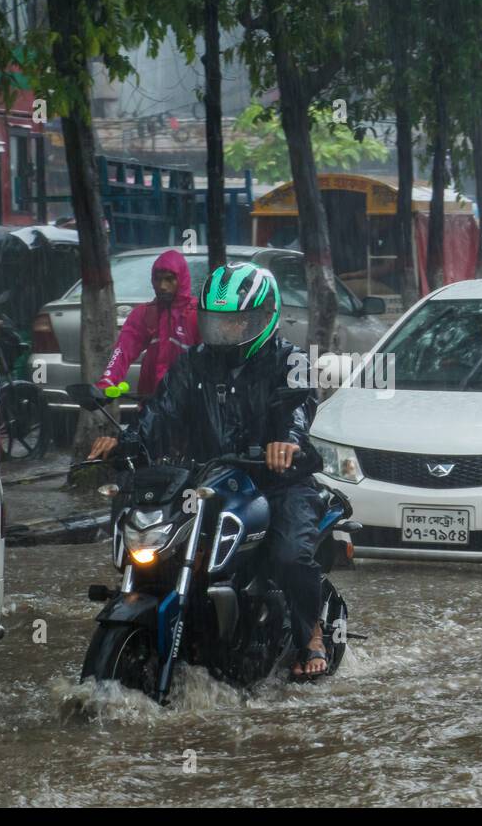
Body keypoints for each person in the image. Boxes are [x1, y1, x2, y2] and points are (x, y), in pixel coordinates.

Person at [91, 262, 332, 680]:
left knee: (289, 556)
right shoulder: (192, 365)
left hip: (278, 481)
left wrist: (285, 443)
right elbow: (159, 414)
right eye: (218, 321)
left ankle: (311, 632)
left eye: (239, 320)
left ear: (265, 317)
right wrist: (125, 442)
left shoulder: (291, 361)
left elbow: (298, 407)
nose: (228, 330)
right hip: (206, 482)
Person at [87, 249, 199, 461]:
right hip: (151, 407)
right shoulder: (145, 314)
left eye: (169, 279)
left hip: (191, 410)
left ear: (181, 279)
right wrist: (106, 383)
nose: (163, 286)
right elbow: (122, 351)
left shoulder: (196, 315)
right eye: (158, 280)